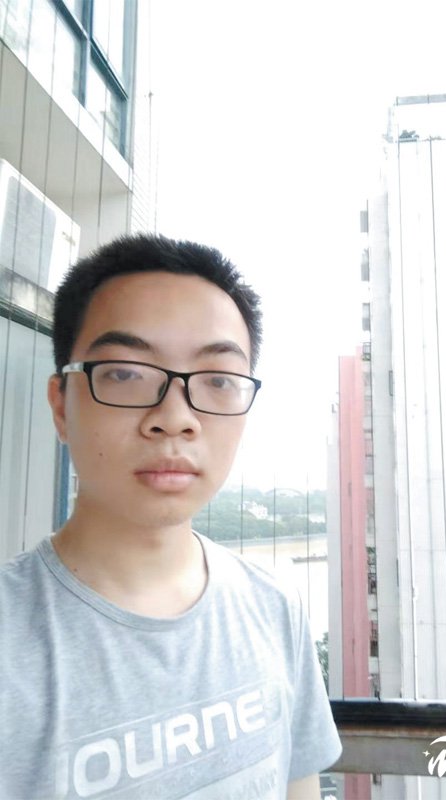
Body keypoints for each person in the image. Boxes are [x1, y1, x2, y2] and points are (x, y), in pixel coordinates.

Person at [0, 234, 341, 799]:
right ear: (61, 406)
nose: (175, 417)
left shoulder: (274, 607)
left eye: (218, 380)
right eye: (125, 373)